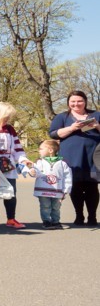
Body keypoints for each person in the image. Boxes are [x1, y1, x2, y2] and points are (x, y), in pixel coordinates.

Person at [48, 91, 99, 226]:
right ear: (69, 103)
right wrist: (71, 128)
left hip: (93, 156)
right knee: (75, 186)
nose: (76, 104)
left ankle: (92, 217)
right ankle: (79, 216)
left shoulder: (96, 115)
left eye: (79, 101)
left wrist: (97, 126)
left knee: (92, 186)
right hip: (71, 156)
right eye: (73, 101)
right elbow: (53, 134)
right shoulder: (62, 117)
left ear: (85, 101)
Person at [26, 140, 72, 229]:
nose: (39, 151)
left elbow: (68, 177)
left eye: (41, 149)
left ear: (50, 150)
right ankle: (46, 221)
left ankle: (56, 222)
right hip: (43, 190)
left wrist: (66, 190)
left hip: (57, 190)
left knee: (56, 207)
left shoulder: (63, 163)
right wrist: (32, 172)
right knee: (45, 206)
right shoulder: (40, 162)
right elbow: (37, 172)